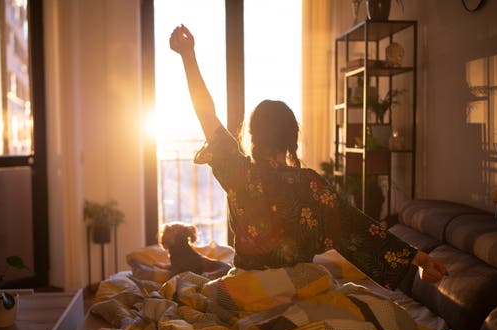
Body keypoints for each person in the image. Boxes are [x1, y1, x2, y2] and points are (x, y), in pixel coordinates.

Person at [169, 24, 447, 289]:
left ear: (252, 136)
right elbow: (361, 229)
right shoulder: (311, 185)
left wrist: (188, 55)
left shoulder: (239, 174)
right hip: (296, 288)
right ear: (292, 138)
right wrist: (419, 259)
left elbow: (206, 112)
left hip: (244, 289)